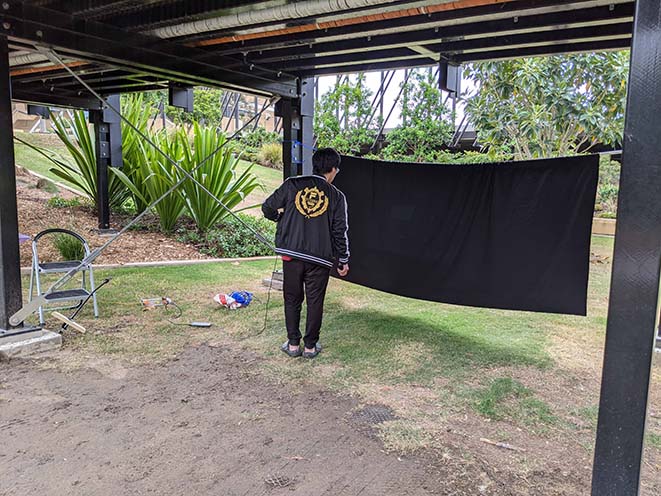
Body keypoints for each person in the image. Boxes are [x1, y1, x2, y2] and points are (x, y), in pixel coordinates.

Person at [262, 148, 350, 359]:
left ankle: (293, 345)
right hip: (319, 259)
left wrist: (280, 218)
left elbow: (267, 208)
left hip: (291, 254)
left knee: (292, 298)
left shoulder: (292, 184)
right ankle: (310, 347)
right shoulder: (337, 197)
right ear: (333, 169)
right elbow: (340, 230)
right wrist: (343, 259)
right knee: (315, 300)